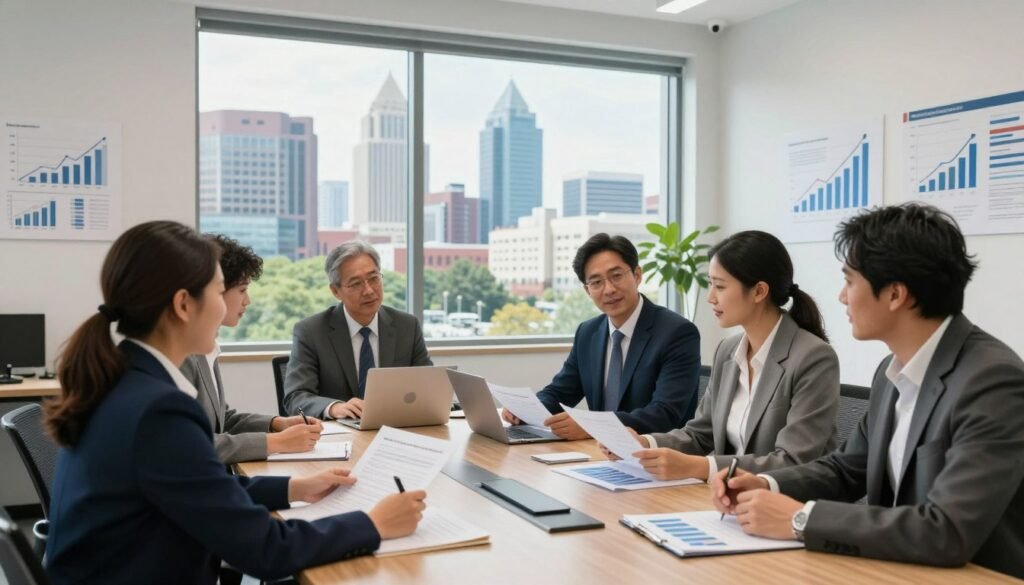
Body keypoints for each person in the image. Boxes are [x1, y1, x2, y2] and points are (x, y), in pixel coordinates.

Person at [44, 221, 427, 585]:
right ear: (183, 305)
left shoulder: (124, 380)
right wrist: (373, 524)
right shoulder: (158, 411)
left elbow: (199, 490)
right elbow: (266, 549)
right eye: (218, 288)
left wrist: (295, 487)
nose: (235, 302)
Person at [710, 204, 1024, 579]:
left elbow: (947, 530)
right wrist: (766, 483)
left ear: (895, 295)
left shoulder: (992, 381)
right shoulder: (891, 372)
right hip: (893, 568)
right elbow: (846, 470)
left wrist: (799, 518)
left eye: (850, 281)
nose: (842, 297)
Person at [606, 231, 840, 481]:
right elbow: (699, 434)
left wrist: (699, 467)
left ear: (759, 291)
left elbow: (793, 460)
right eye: (710, 284)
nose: (711, 297)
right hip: (728, 499)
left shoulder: (813, 358)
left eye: (720, 286)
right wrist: (644, 443)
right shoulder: (728, 351)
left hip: (787, 505)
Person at [504, 233, 701, 438]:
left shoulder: (677, 333)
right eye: (596, 282)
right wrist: (526, 410)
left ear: (637, 275)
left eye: (616, 276)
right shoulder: (588, 333)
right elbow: (560, 392)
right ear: (587, 290)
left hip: (655, 457)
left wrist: (592, 426)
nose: (609, 289)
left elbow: (665, 414)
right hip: (599, 454)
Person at [180, 234, 322, 464]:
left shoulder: (208, 347)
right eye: (242, 290)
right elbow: (192, 445)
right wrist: (276, 443)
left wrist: (276, 424)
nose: (248, 301)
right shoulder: (182, 356)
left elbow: (222, 420)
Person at [283, 241, 432, 420]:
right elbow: (295, 397)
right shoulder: (311, 332)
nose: (369, 290)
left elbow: (427, 389)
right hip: (339, 437)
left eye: (374, 278)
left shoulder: (407, 327)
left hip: (394, 430)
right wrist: (334, 407)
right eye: (355, 283)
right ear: (335, 291)